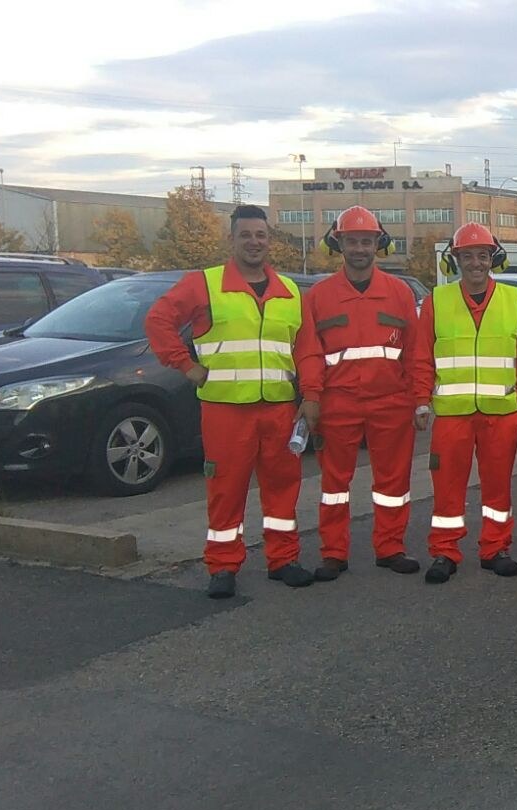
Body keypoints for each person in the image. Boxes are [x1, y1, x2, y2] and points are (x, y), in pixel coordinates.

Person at [144, 204, 312, 598]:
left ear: (269, 240)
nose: (254, 242)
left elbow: (304, 351)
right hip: (225, 411)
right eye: (245, 235)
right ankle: (222, 566)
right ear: (231, 239)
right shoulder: (205, 283)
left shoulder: (289, 292)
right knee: (226, 490)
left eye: (260, 235)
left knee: (283, 487)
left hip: (278, 408)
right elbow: (158, 319)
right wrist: (185, 365)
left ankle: (283, 559)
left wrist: (311, 396)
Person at [292, 205, 427, 582]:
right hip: (339, 401)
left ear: (377, 245)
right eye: (352, 241)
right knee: (334, 484)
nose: (359, 249)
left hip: (391, 401)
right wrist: (312, 397)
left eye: (367, 241)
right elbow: (309, 351)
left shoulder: (399, 293)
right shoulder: (319, 297)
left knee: (393, 482)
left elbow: (415, 352)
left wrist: (420, 399)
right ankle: (334, 552)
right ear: (339, 244)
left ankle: (390, 547)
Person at [415, 222, 517, 583]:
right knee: (447, 488)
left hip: (501, 415)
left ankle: (495, 548)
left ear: (492, 259)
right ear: (455, 262)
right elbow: (422, 357)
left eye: (482, 256)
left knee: (498, 485)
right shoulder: (436, 302)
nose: (475, 264)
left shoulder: (516, 301)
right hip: (452, 416)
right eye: (466, 257)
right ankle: (445, 551)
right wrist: (421, 400)